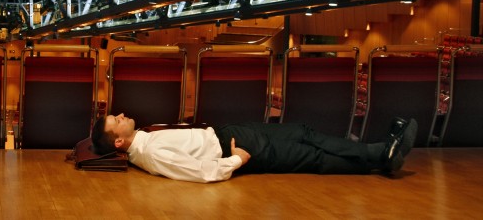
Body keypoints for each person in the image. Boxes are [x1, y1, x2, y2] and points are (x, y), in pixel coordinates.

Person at [91, 113, 418, 183]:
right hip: (233, 146)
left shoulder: (145, 140)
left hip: (228, 134)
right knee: (308, 154)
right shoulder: (150, 154)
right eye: (115, 120)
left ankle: (381, 155)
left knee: (303, 134)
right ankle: (381, 153)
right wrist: (235, 160)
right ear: (118, 141)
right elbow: (197, 172)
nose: (121, 114)